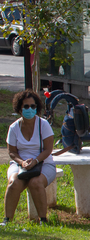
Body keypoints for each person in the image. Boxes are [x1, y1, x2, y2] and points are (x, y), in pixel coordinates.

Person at [2, 90, 56, 226]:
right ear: (19, 108)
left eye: (33, 106)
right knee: (13, 183)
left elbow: (48, 150)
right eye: (26, 106)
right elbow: (12, 152)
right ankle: (7, 220)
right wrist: (22, 162)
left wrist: (36, 161)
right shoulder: (14, 127)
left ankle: (43, 220)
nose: (29, 109)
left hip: (43, 163)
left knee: (35, 183)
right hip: (19, 163)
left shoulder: (43, 125)